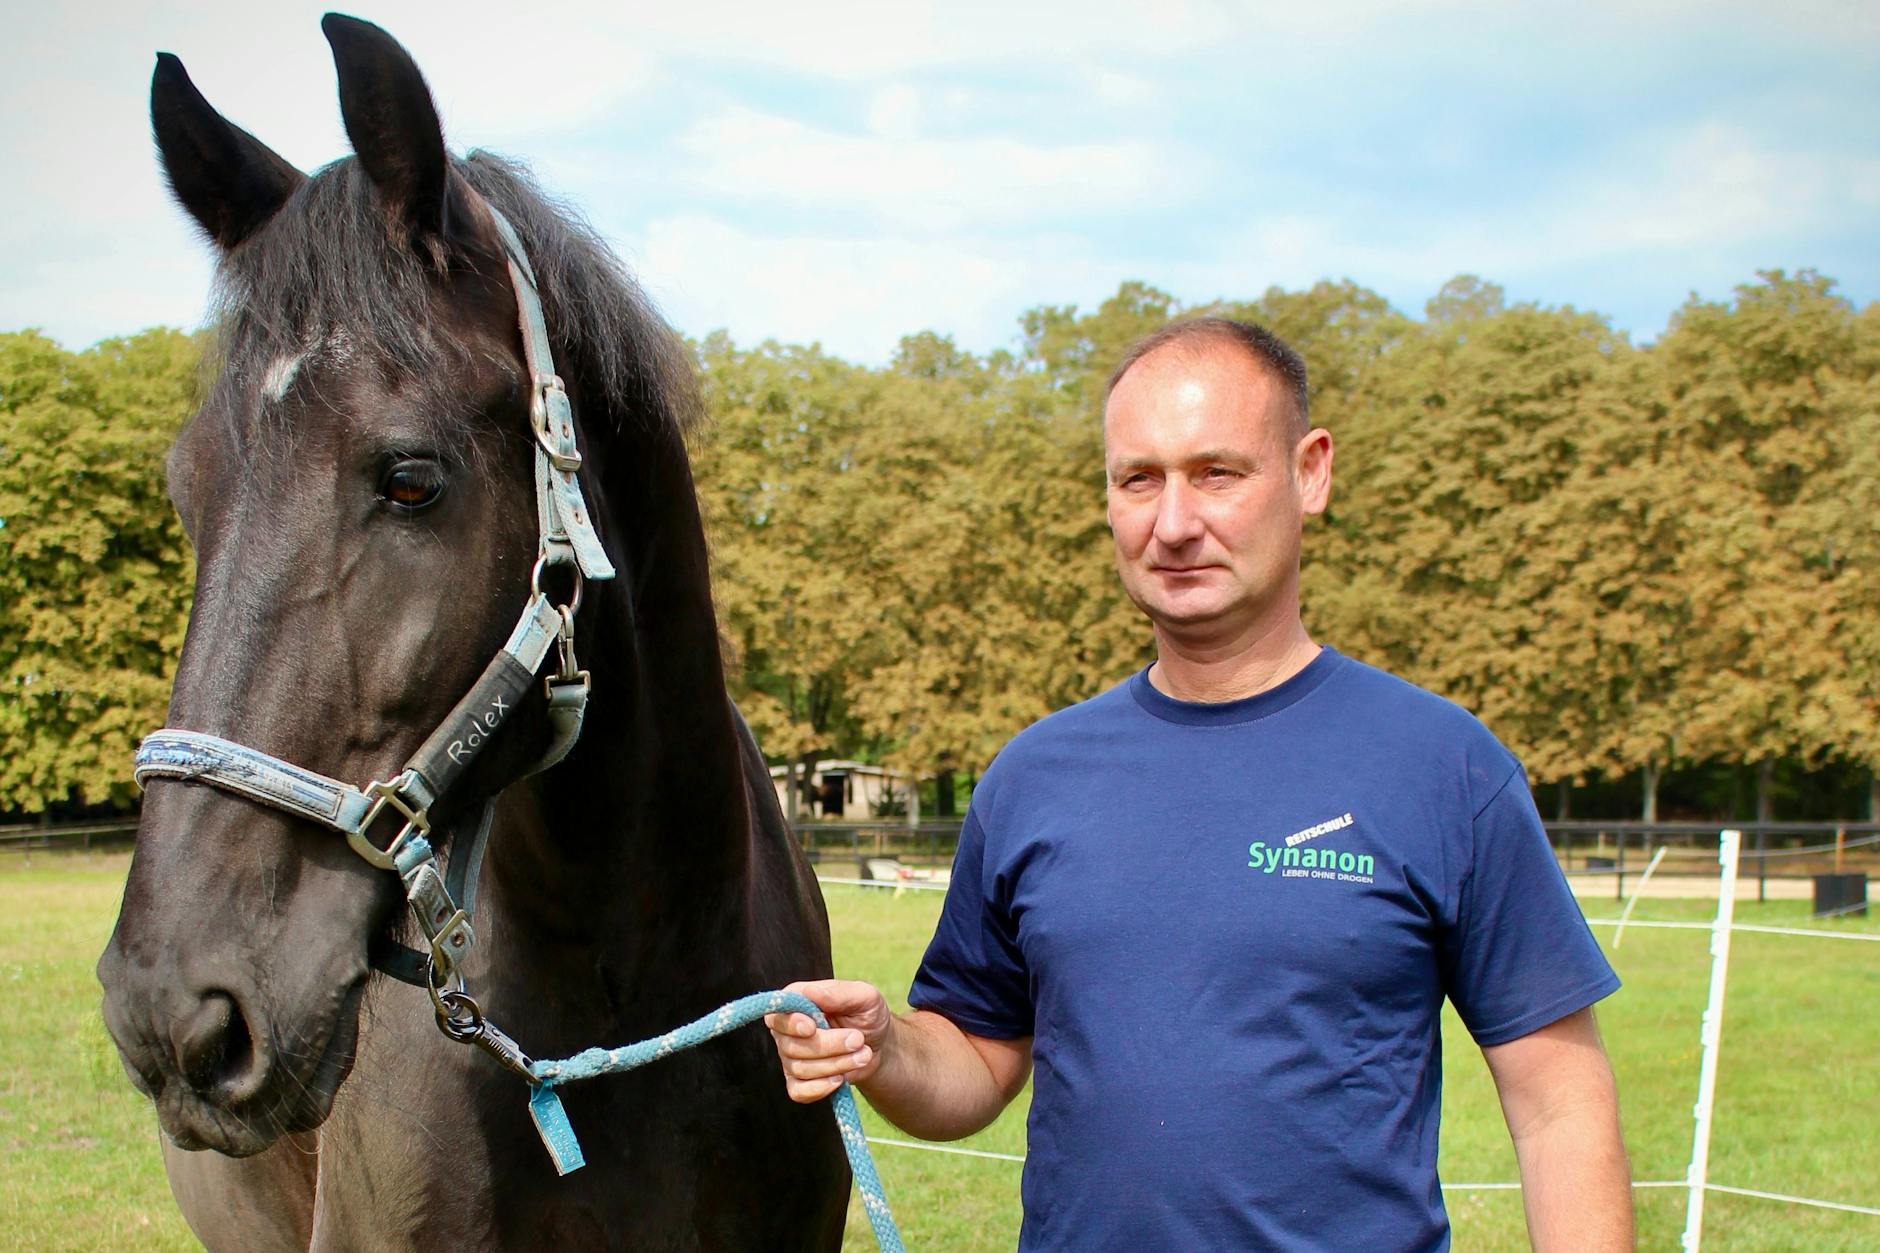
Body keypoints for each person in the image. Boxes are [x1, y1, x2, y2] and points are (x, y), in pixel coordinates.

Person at [766, 317, 1632, 1250]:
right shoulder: (1032, 777)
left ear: (1311, 472)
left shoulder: (1443, 765)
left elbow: (1559, 1104)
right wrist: (884, 1046)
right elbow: (978, 1060)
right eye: (1139, 478)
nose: (1174, 523)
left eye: (1217, 472)